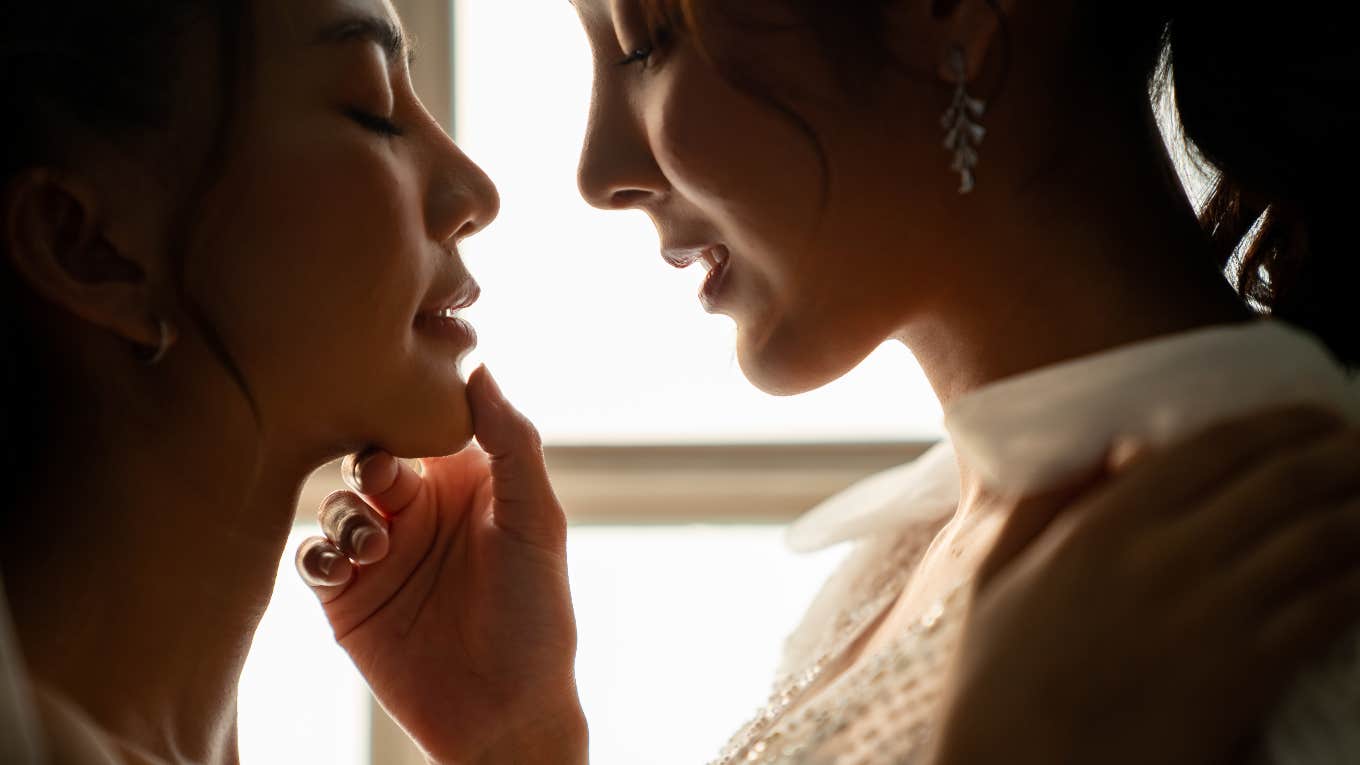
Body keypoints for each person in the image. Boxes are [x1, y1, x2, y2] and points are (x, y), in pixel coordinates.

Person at [0, 1, 1353, 764]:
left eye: (645, 40)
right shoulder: (900, 568)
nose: (591, 169)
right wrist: (521, 740)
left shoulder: (1277, 553)